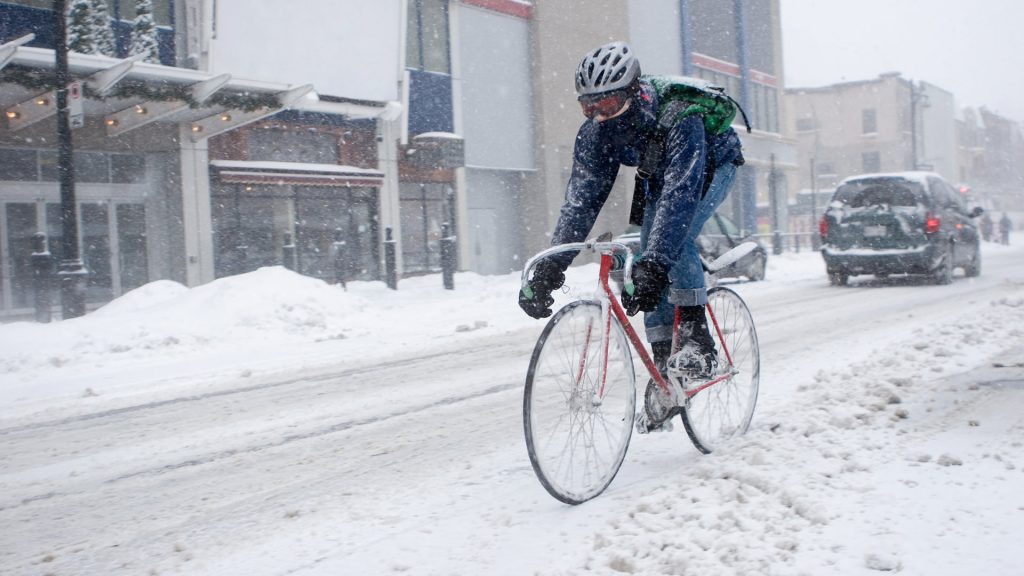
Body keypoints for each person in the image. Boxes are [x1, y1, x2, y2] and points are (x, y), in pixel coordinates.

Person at [517, 41, 745, 429]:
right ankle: (664, 374)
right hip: (661, 169)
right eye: (588, 107)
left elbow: (679, 199)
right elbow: (580, 204)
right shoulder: (594, 135)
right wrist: (549, 268)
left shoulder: (679, 117)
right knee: (645, 255)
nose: (599, 117)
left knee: (676, 238)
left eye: (606, 105)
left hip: (711, 162)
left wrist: (657, 265)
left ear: (633, 93)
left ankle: (696, 341)